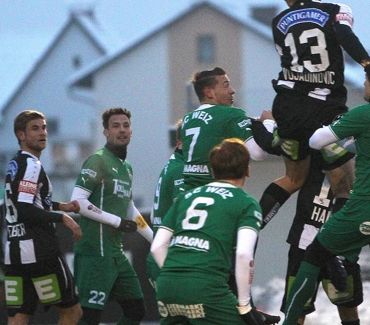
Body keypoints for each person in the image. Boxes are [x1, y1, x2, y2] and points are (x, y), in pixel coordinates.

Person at [283, 56, 370, 325]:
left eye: (366, 82)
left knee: (314, 255)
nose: (364, 87)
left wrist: (339, 130)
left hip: (365, 207)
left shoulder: (364, 114)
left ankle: (289, 322)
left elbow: (317, 141)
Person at [259, 0, 370, 227]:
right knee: (344, 185)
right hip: (325, 111)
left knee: (293, 179)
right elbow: (344, 35)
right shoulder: (336, 9)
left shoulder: (279, 22)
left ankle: (249, 231)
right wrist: (368, 63)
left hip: (289, 108)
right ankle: (341, 254)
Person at [151, 138, 264, 325]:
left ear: (213, 171)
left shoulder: (185, 197)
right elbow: (244, 254)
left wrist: (178, 275)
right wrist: (244, 306)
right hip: (206, 287)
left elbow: (157, 247)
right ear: (247, 171)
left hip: (167, 285)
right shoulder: (246, 203)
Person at [70, 108, 153, 325]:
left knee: (136, 310)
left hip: (115, 253)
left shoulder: (127, 168)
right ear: (106, 132)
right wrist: (116, 221)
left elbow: (129, 209)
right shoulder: (98, 161)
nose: (122, 130)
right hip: (94, 253)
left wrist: (156, 242)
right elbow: (78, 202)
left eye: (126, 125)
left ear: (131, 131)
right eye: (116, 126)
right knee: (90, 318)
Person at [3, 110, 83, 325]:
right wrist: (63, 217)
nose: (42, 133)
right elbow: (25, 209)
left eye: (44, 127)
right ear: (21, 135)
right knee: (72, 312)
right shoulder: (31, 164)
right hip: (39, 249)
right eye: (35, 128)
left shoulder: (15, 163)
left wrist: (60, 205)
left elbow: (26, 201)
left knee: (18, 317)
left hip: (14, 251)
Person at [280, 152, 362, 325]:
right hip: (305, 237)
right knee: (296, 308)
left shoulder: (358, 142)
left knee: (347, 303)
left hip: (340, 237)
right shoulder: (311, 135)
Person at [181, 67, 268, 191]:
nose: (232, 91)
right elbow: (258, 153)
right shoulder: (229, 114)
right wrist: (268, 123)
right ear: (209, 93)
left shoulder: (187, 119)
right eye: (226, 86)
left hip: (188, 196)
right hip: (218, 195)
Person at [146, 119, 185, 289]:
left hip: (163, 258)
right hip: (170, 260)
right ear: (180, 143)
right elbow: (183, 217)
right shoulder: (181, 169)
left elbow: (156, 216)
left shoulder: (173, 165)